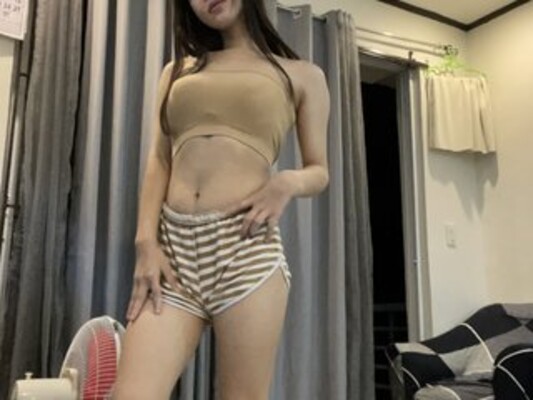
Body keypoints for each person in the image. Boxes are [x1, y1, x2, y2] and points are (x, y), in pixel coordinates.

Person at [112, 0, 330, 399]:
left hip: (245, 249)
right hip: (173, 252)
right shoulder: (177, 71)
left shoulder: (303, 75)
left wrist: (286, 182)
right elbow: (159, 159)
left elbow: (320, 170)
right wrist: (145, 241)